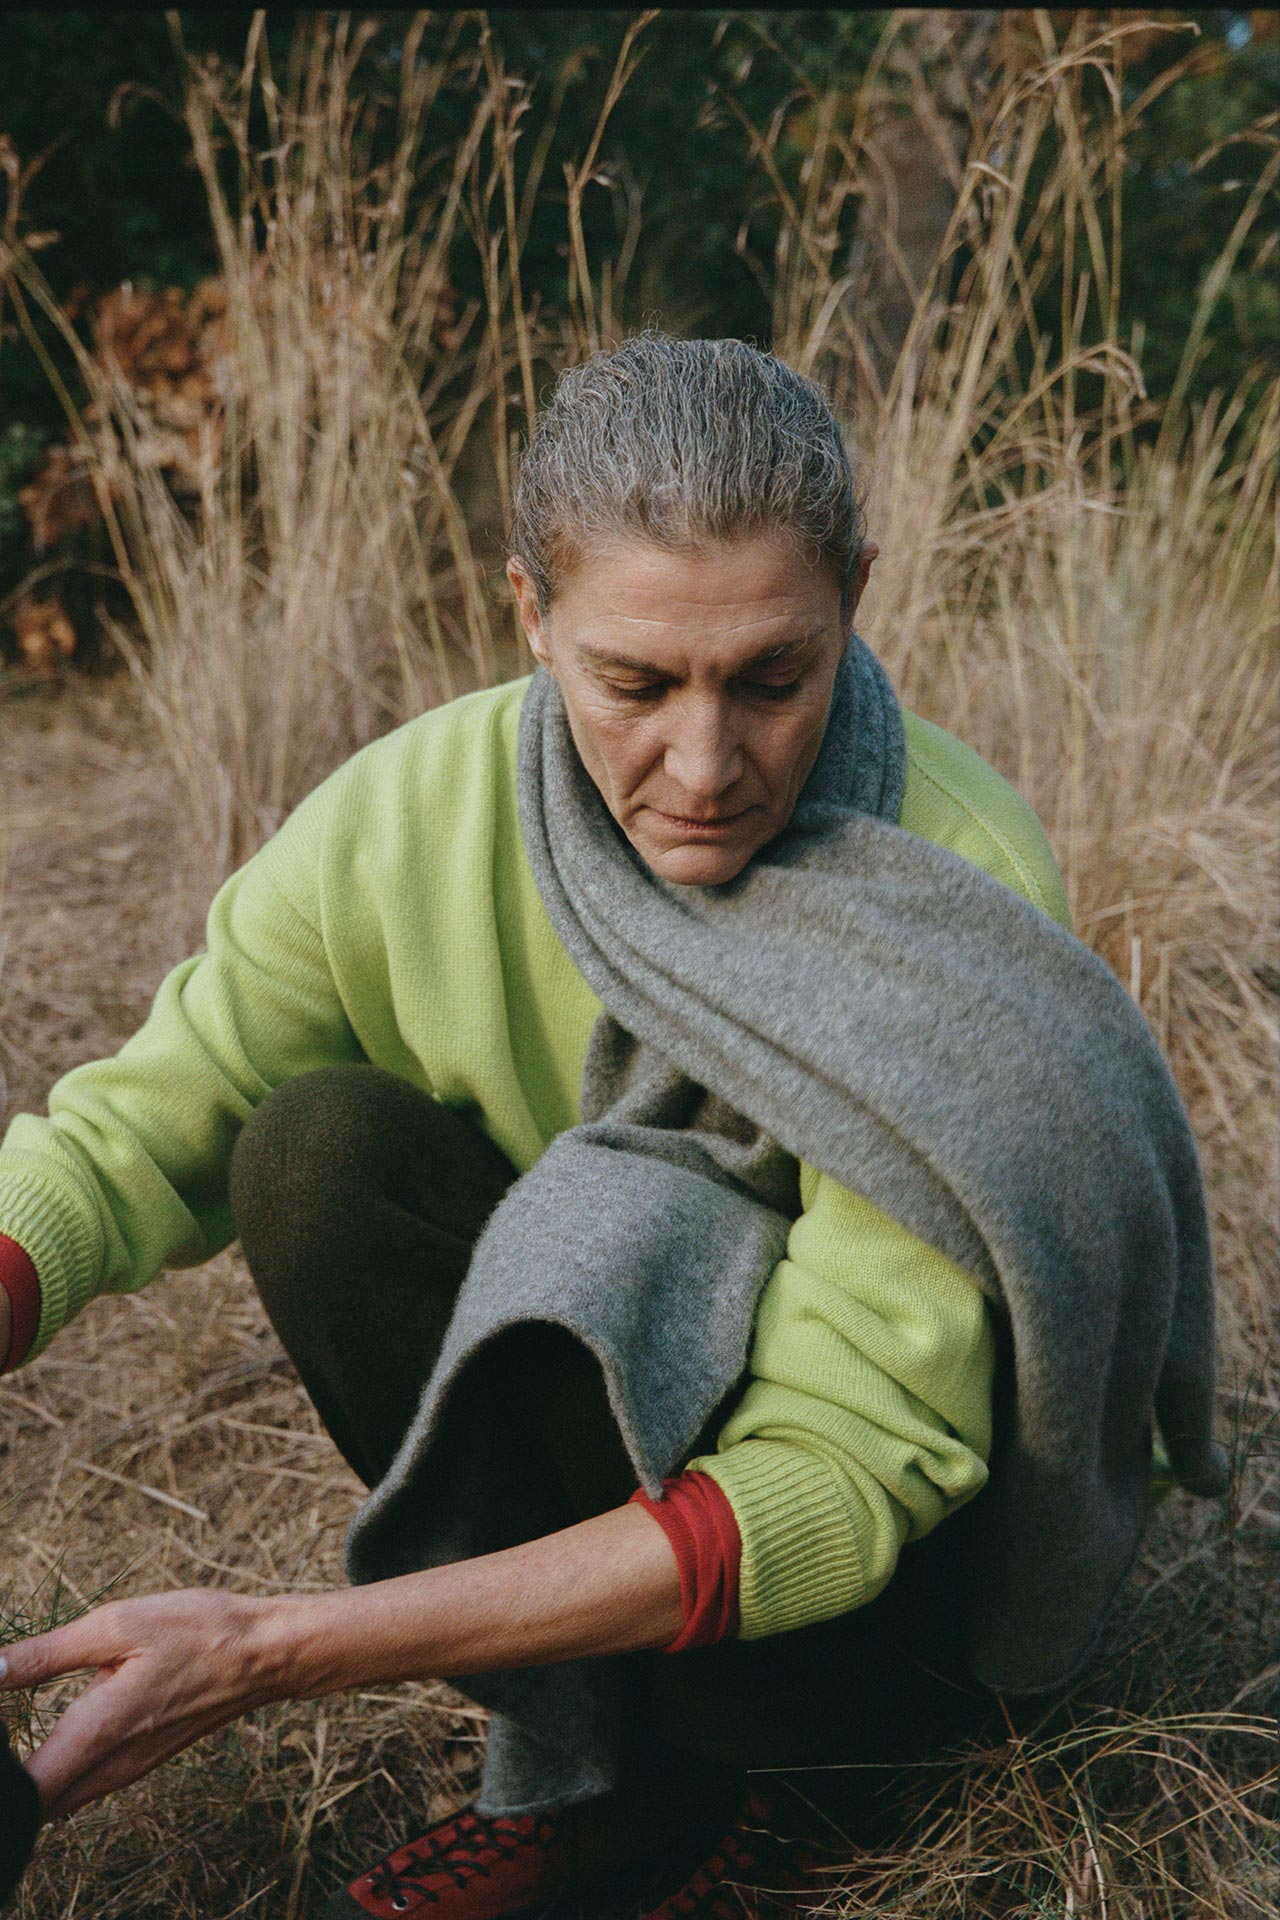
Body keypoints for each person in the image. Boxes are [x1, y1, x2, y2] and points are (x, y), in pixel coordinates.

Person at [0, 333, 1224, 1920]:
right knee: (315, 1153)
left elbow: (841, 1475)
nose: (705, 767)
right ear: (530, 612)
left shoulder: (961, 886)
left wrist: (272, 1649)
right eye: (633, 684)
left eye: (773, 679)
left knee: (818, 1528)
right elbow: (136, 1132)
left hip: (874, 1576)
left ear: (857, 596)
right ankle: (624, 1770)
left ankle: (803, 1784)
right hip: (640, 1442)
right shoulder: (410, 819)